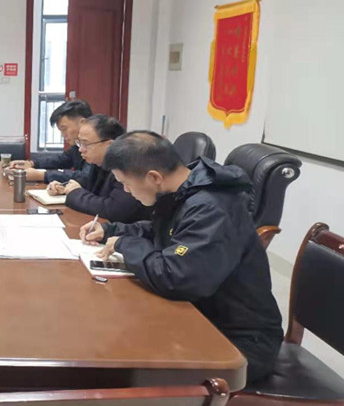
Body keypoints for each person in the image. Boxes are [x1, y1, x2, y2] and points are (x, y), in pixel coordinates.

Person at [81, 131, 283, 384]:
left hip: (237, 341)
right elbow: (166, 232)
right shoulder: (186, 189)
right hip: (202, 314)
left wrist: (125, 243)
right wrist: (112, 230)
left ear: (154, 177)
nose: (125, 190)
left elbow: (176, 277)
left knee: (120, 364)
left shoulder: (212, 207)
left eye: (126, 183)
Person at [47, 115, 150, 223]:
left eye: (86, 144)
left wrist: (75, 193)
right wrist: (64, 187)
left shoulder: (128, 167)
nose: (81, 149)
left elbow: (114, 210)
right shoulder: (98, 163)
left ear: (110, 145)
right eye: (79, 143)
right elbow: (89, 185)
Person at [10, 99, 92, 183]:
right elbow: (61, 160)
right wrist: (32, 163)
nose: (63, 135)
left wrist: (42, 175)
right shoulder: (78, 146)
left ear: (83, 123)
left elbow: (85, 177)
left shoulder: (96, 145)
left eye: (64, 129)